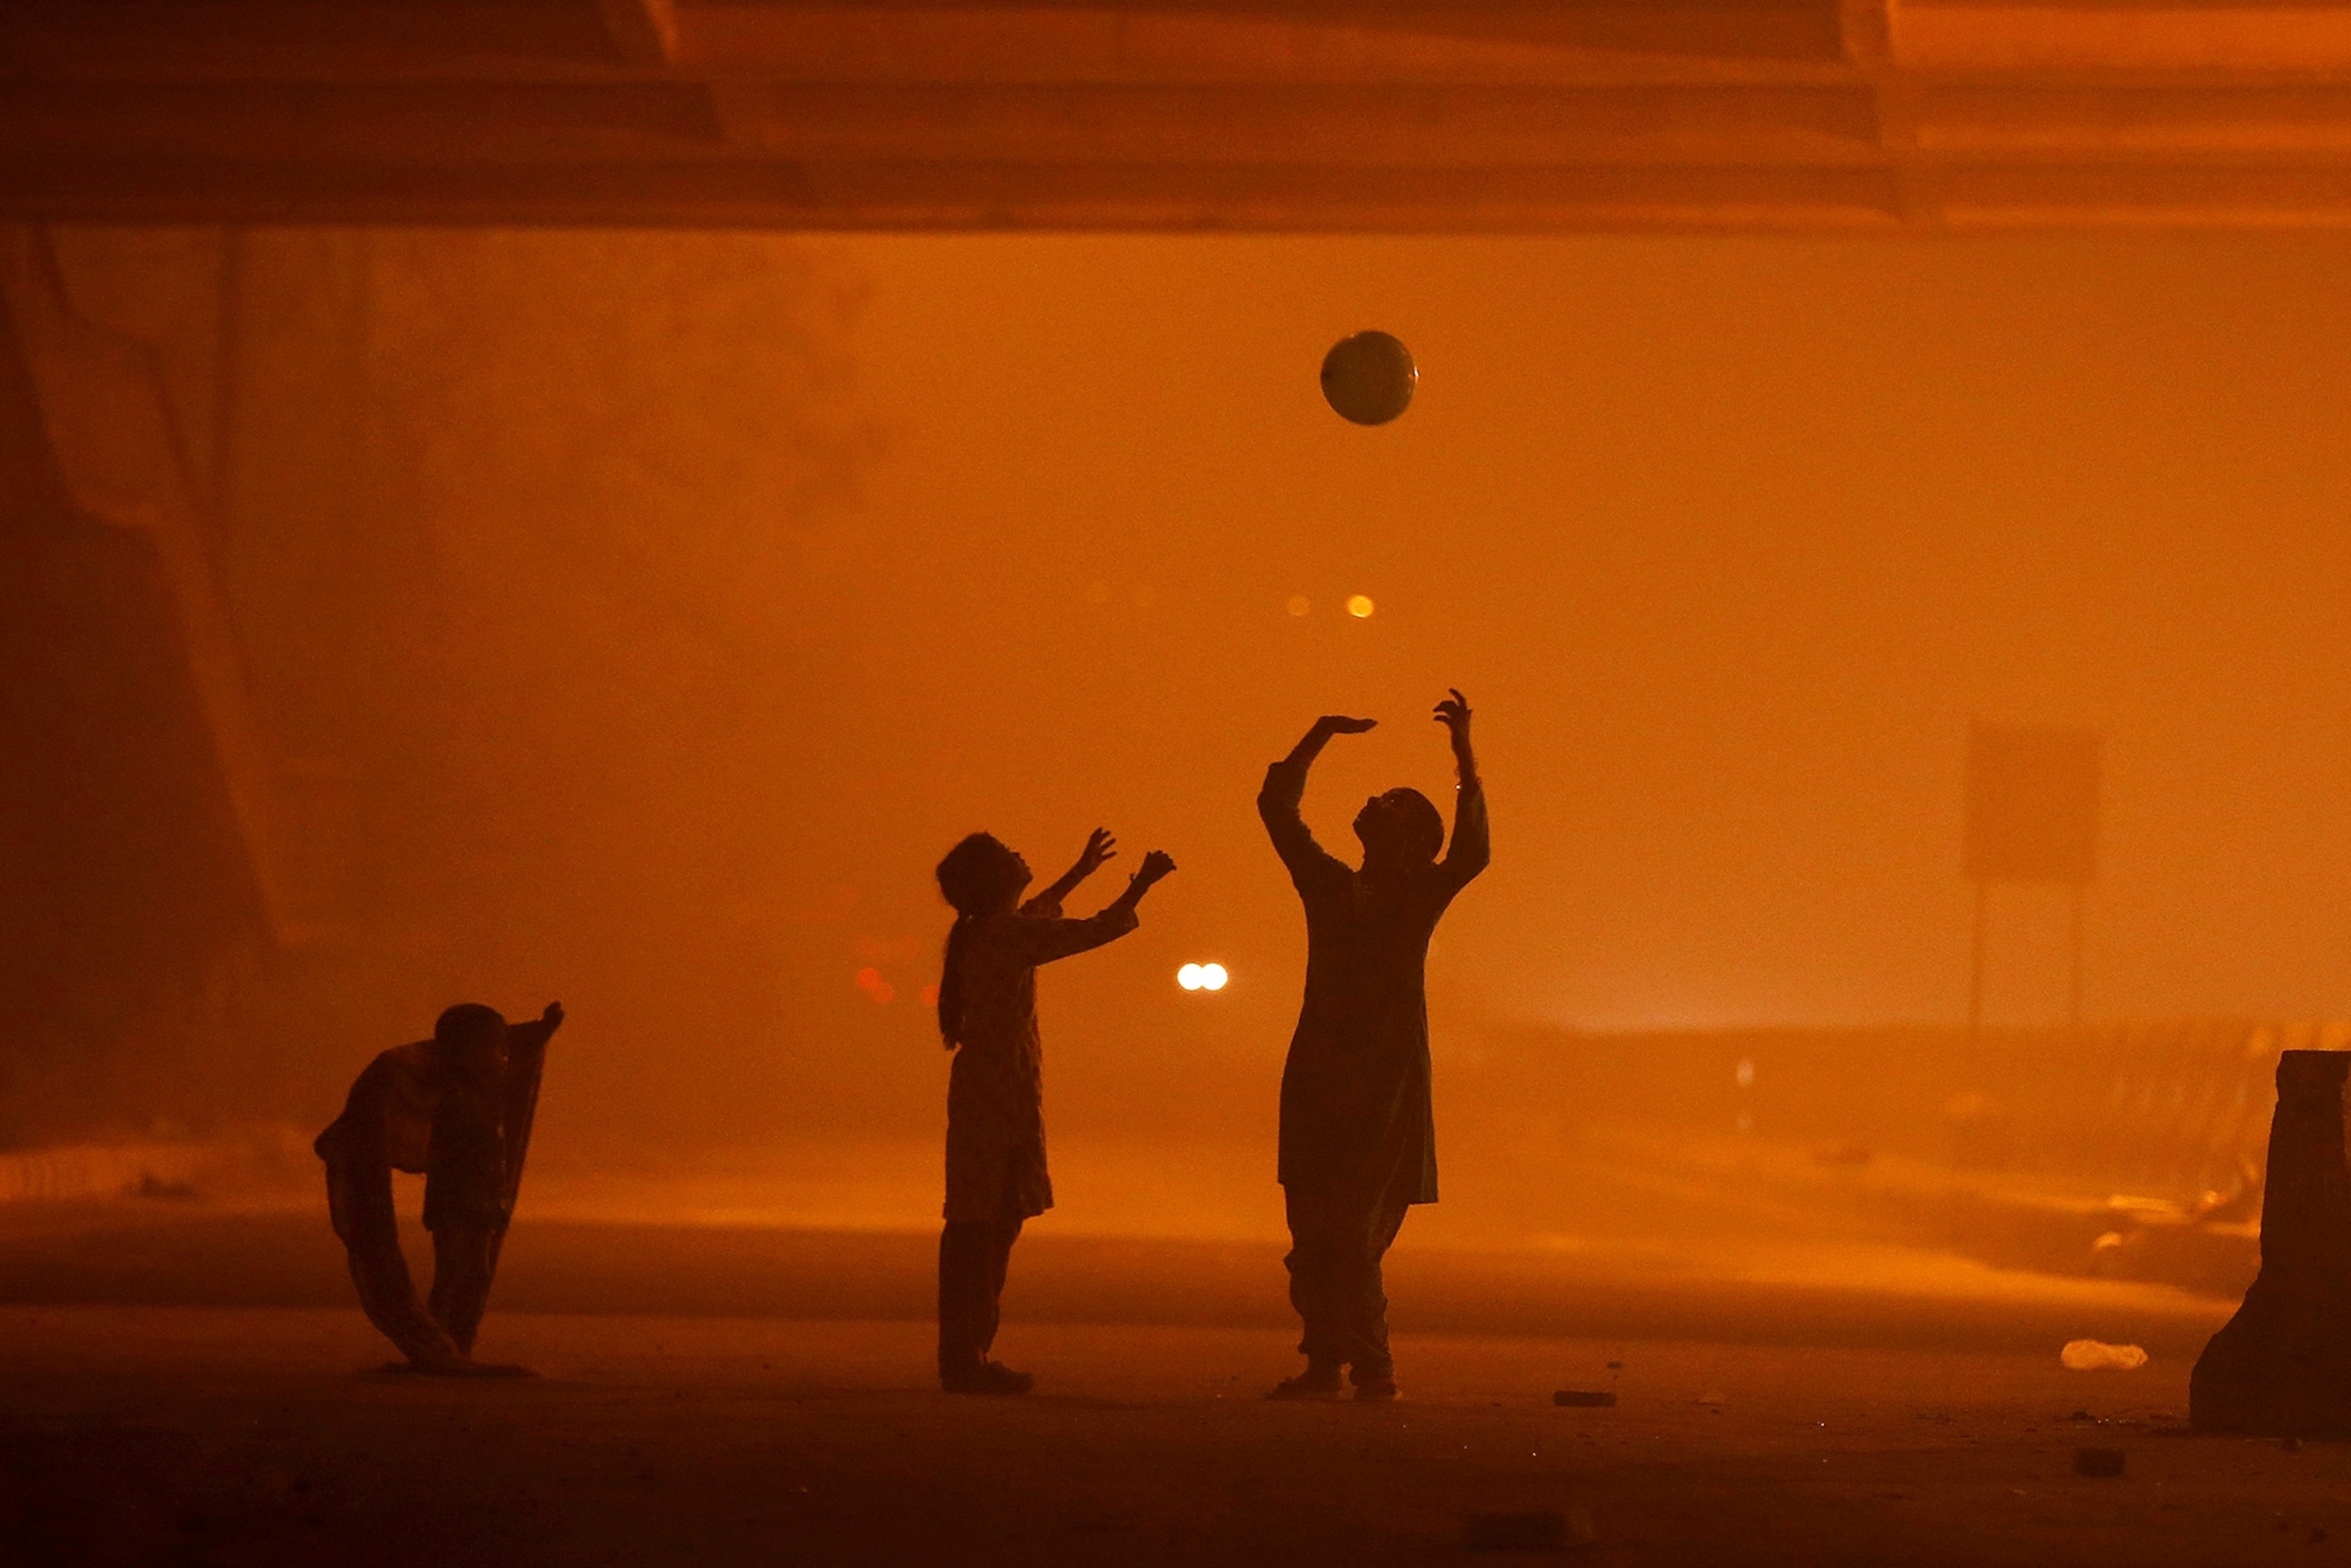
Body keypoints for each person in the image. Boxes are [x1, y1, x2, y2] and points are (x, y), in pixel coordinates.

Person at [1258, 690, 1489, 1401]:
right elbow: (1276, 808)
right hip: (1317, 1076)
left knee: (1354, 1232)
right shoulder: (1330, 886)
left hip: (1383, 1084)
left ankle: (1372, 1366)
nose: (1371, 803)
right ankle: (1326, 1361)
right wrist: (1317, 733)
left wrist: (1464, 754)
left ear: (1413, 842)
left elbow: (1473, 850)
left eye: (1390, 804)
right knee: (1311, 1233)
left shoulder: (1416, 896)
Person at [934, 827, 1175, 1394]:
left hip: (992, 1089)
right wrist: (1140, 886)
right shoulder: (1003, 936)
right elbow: (1092, 931)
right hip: (999, 1093)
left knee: (983, 1219)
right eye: (1007, 854)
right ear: (995, 880)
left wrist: (1080, 872)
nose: (1020, 853)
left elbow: (1039, 915)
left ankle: (967, 1353)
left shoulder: (991, 931)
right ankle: (968, 1357)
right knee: (987, 1225)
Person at [314, 1000, 564, 1374]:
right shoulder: (447, 1089)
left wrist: (544, 1029)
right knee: (452, 1269)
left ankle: (456, 1346)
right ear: (464, 1052)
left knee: (476, 1270)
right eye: (492, 1047)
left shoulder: (487, 1086)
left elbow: (520, 1057)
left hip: (484, 1193)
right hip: (453, 1195)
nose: (501, 1054)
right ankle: (437, 1346)